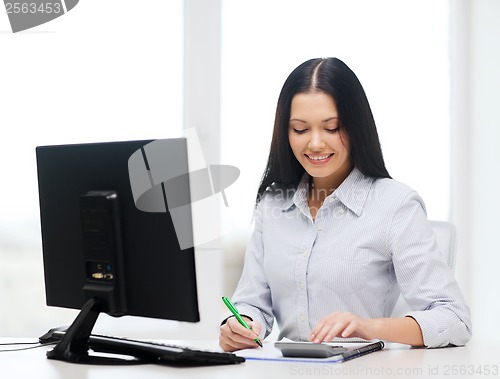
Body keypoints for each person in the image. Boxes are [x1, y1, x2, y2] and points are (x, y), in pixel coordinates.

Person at [218, 57, 472, 351]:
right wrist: (239, 325)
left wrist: (369, 327)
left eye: (332, 127)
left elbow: (455, 319)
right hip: (284, 367)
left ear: (356, 127)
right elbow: (251, 303)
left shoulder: (396, 205)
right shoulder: (273, 203)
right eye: (300, 129)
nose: (314, 144)